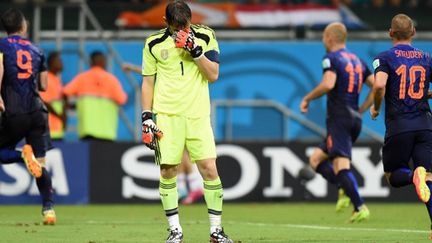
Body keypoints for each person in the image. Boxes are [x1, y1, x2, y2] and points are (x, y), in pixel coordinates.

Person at [141, 1, 233, 242]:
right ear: (165, 23)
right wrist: (146, 117)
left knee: (210, 169)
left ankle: (216, 231)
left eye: (185, 26)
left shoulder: (205, 35)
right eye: (175, 27)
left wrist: (196, 52)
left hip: (197, 114)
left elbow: (213, 75)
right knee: (168, 170)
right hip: (166, 115)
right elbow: (148, 82)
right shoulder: (153, 43)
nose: (181, 31)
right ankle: (175, 231)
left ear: (191, 20)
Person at [300, 22, 373, 222]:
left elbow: (328, 84)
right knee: (315, 160)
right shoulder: (358, 60)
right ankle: (344, 188)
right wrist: (363, 109)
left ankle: (359, 206)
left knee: (341, 166)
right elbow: (376, 86)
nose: (323, 40)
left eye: (324, 36)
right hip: (353, 118)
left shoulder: (331, 58)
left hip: (340, 118)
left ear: (330, 38)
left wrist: (307, 98)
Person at [370, 14, 432, 239]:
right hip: (425, 125)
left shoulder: (384, 58)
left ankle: (413, 175)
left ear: (390, 33)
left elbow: (379, 86)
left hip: (399, 125)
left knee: (393, 176)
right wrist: (426, 93)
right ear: (414, 32)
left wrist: (376, 107)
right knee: (430, 178)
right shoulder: (426, 58)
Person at [0, 8, 56, 225]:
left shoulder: (2, 46)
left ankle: (22, 157)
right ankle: (48, 209)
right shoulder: (37, 50)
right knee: (41, 164)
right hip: (37, 112)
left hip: (15, 112)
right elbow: (43, 85)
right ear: (23, 26)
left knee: (4, 152)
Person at [122, 62, 204, 204]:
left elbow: (149, 72)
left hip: (174, 115)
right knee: (180, 151)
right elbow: (149, 72)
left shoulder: (173, 77)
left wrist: (131, 68)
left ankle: (191, 185)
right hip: (177, 114)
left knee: (177, 151)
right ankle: (187, 186)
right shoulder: (175, 77)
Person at [63, 51, 127, 141]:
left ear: (91, 62)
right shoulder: (111, 80)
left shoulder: (82, 78)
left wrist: (70, 107)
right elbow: (122, 100)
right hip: (107, 131)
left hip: (87, 130)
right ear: (103, 62)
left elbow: (65, 92)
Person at [39, 51, 66, 140]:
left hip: (57, 129)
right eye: (59, 61)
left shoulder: (57, 80)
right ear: (52, 63)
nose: (61, 63)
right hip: (48, 128)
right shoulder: (47, 79)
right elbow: (44, 101)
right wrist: (59, 116)